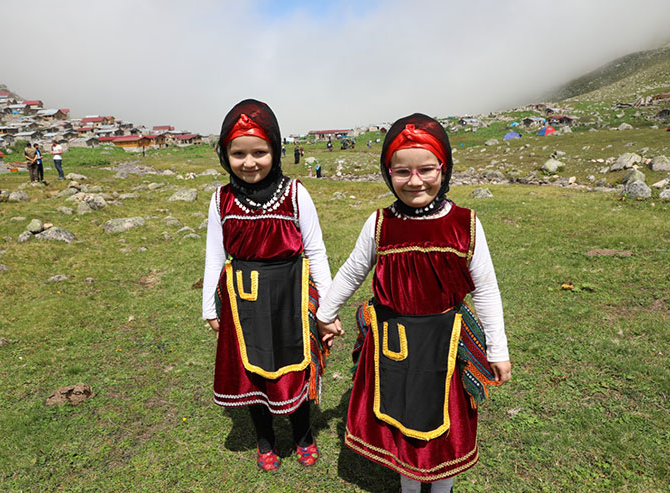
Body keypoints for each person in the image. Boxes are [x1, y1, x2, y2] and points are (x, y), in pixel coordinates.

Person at [316, 113, 511, 493]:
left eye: (426, 169)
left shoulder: (465, 224)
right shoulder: (380, 225)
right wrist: (326, 314)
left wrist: (497, 349)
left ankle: (442, 489)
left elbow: (485, 288)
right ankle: (408, 487)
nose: (415, 181)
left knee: (446, 422)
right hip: (394, 343)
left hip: (446, 342)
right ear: (388, 172)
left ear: (444, 168)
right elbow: (353, 271)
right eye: (402, 171)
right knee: (400, 415)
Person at [202, 99, 339, 472]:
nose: (249, 163)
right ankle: (264, 439)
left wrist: (327, 305)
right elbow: (215, 255)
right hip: (242, 299)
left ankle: (302, 433)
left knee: (295, 367)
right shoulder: (221, 199)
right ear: (224, 154)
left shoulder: (296, 194)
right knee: (253, 373)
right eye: (238, 153)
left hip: (290, 296)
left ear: (275, 150)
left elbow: (316, 251)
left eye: (260, 152)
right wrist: (209, 308)